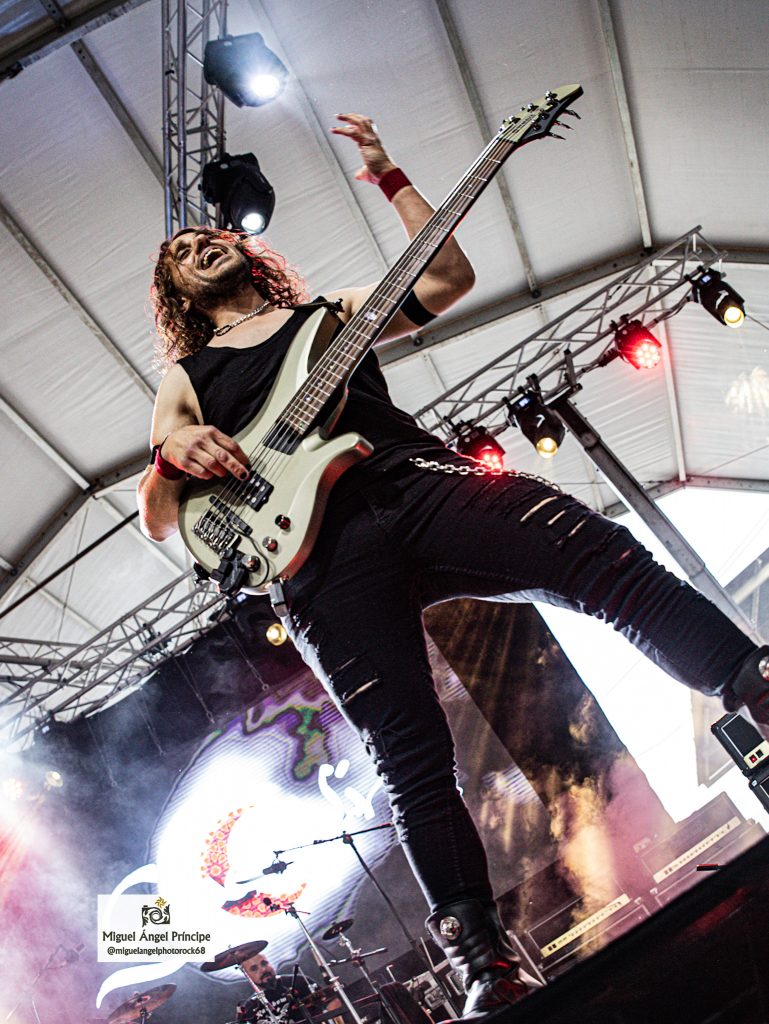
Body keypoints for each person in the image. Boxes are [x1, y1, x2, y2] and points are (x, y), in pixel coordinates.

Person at [138, 114, 769, 1020]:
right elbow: (159, 514)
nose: (198, 244)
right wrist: (175, 452)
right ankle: (482, 962)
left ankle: (752, 686)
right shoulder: (188, 377)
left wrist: (390, 176)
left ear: (243, 250)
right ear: (178, 291)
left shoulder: (326, 319)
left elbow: (444, 280)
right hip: (316, 561)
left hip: (414, 486)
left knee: (596, 553)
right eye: (180, 252)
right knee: (409, 755)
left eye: (207, 234)